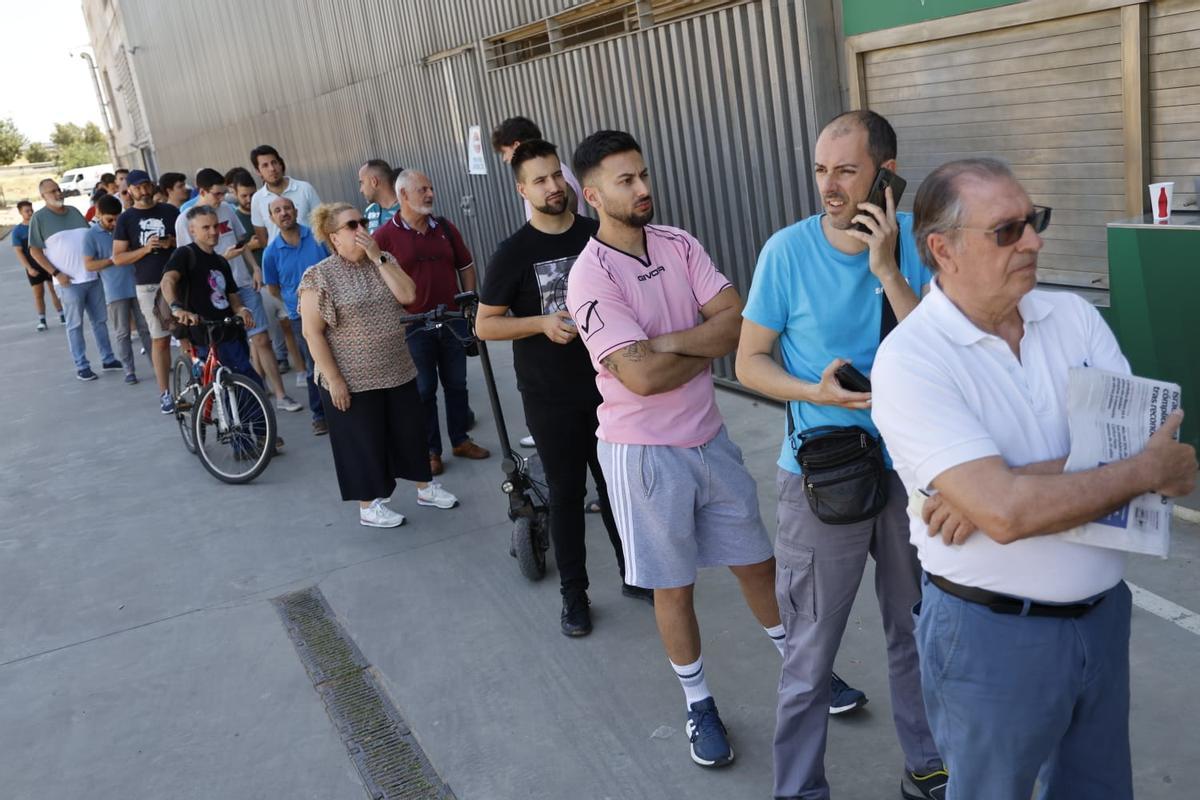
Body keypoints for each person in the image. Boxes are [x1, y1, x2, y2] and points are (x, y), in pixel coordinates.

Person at [872, 158, 1198, 800]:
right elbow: (1012, 513)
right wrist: (1130, 472)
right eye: (1007, 230)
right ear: (943, 249)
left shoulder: (1071, 317)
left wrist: (998, 486)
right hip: (991, 638)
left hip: (1102, 617)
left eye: (1034, 221)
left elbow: (1141, 437)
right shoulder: (911, 361)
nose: (1034, 240)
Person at [736, 110, 944, 800]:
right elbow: (750, 361)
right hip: (823, 478)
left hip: (911, 475)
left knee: (917, 629)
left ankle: (927, 762)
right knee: (809, 654)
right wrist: (812, 389)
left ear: (886, 174)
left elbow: (941, 355)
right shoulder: (785, 253)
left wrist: (887, 269)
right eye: (822, 170)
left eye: (846, 171)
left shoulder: (919, 244)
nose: (829, 186)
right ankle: (798, 790)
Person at [565, 130, 780, 770]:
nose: (643, 189)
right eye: (626, 181)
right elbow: (641, 379)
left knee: (759, 564)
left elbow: (739, 323)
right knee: (674, 587)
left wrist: (662, 343)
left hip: (710, 439)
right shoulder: (589, 276)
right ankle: (699, 704)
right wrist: (697, 344)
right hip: (643, 454)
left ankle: (807, 672)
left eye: (644, 175)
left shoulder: (679, 243)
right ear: (593, 194)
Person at [477, 139, 651, 636]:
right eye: (540, 180)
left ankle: (635, 574)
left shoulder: (601, 235)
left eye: (557, 175)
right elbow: (485, 326)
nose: (553, 186)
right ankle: (574, 595)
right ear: (521, 190)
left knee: (618, 488)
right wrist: (538, 323)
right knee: (568, 496)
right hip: (551, 396)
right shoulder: (513, 253)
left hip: (612, 389)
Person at [299, 202, 460, 526]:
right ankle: (368, 505)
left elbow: (409, 295)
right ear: (334, 237)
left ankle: (425, 487)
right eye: (351, 226)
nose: (361, 229)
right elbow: (312, 333)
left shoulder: (383, 261)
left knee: (411, 432)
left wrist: (378, 257)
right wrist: (334, 380)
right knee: (363, 442)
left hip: (396, 368)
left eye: (362, 222)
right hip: (352, 378)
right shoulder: (319, 276)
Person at [373, 170, 490, 476]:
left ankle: (460, 440)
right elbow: (377, 279)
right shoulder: (384, 236)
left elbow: (465, 265)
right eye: (422, 189)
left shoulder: (446, 228)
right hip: (413, 325)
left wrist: (468, 302)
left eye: (431, 188)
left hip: (452, 320)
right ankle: (430, 451)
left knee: (456, 384)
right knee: (424, 390)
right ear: (403, 196)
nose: (429, 194)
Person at [174, 168, 301, 413]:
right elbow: (188, 264)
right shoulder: (185, 220)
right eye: (217, 194)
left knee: (261, 339)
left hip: (242, 283)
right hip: (213, 295)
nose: (222, 198)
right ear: (201, 192)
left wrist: (255, 269)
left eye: (224, 193)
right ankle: (240, 398)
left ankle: (279, 395)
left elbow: (241, 244)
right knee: (228, 353)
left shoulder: (227, 211)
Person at [161, 206, 282, 453]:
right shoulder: (185, 255)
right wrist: (176, 308)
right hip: (201, 331)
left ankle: (261, 434)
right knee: (222, 387)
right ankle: (240, 443)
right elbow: (168, 280)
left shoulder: (220, 261)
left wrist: (241, 310)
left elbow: (231, 295)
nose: (213, 232)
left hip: (227, 330)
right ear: (192, 230)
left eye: (216, 226)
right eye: (206, 227)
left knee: (249, 379)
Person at [28, 179, 120, 380]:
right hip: (67, 283)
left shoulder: (74, 212)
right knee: (75, 325)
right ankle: (82, 365)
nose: (58, 193)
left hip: (91, 277)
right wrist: (56, 273)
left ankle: (108, 358)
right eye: (52, 191)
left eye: (59, 190)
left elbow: (89, 238)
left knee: (100, 321)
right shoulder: (39, 218)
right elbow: (35, 251)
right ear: (43, 196)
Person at [111, 169, 180, 412]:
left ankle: (197, 383)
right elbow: (118, 258)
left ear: (152, 185)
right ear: (129, 191)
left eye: (146, 185)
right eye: (137, 187)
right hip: (149, 285)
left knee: (189, 335)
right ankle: (165, 394)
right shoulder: (126, 219)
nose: (143, 190)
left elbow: (188, 242)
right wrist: (145, 249)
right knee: (160, 340)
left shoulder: (169, 211)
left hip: (179, 280)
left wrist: (171, 242)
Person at [262, 196, 330, 435]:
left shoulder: (316, 237)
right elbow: (273, 289)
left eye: (287, 208)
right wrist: (296, 302)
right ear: (271, 217)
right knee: (315, 365)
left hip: (332, 308)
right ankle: (320, 415)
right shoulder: (270, 253)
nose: (283, 213)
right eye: (277, 210)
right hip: (300, 315)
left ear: (296, 210)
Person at [229, 166, 299, 375]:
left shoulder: (263, 208)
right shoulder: (236, 218)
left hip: (271, 275)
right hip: (253, 280)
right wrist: (251, 245)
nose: (249, 199)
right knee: (261, 334)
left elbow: (265, 241)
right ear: (234, 194)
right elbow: (240, 246)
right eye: (244, 195)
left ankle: (292, 364)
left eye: (252, 194)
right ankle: (263, 375)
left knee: (285, 324)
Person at [84, 193, 151, 385]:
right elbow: (89, 265)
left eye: (117, 219)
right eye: (109, 220)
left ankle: (156, 363)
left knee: (146, 328)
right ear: (98, 214)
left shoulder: (125, 228)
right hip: (114, 291)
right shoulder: (90, 235)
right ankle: (129, 370)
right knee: (123, 332)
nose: (114, 223)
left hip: (138, 284)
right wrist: (112, 261)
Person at [491, 116, 585, 220]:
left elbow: (565, 216)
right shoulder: (548, 171)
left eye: (504, 152)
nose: (504, 159)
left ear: (517, 146)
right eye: (540, 181)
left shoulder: (557, 172)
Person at [249, 144, 322, 243]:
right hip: (281, 257)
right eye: (265, 165)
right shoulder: (257, 199)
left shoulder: (304, 188)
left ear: (280, 163)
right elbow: (262, 237)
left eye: (274, 162)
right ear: (258, 171)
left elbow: (322, 221)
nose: (272, 169)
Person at [11, 199, 64, 330]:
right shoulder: (17, 231)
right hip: (33, 267)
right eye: (26, 211)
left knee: (54, 290)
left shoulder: (39, 225)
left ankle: (62, 316)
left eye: (31, 210)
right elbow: (19, 252)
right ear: (20, 213)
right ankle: (42, 320)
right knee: (38, 294)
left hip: (48, 263)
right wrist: (29, 268)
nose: (30, 213)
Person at [358, 159, 400, 233]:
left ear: (374, 182)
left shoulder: (408, 206)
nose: (361, 190)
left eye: (362, 183)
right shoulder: (370, 210)